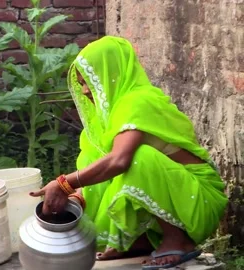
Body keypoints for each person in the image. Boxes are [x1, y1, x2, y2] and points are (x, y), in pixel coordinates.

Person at [29, 36, 228, 269]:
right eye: (81, 83)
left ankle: (179, 239)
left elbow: (120, 162)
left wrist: (64, 184)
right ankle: (139, 241)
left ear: (110, 73)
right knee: (93, 158)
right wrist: (76, 197)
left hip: (198, 197)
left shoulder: (139, 101)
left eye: (89, 82)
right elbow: (99, 166)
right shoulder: (110, 118)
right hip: (172, 192)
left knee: (138, 158)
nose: (84, 91)